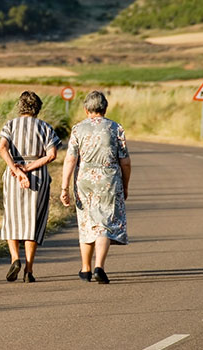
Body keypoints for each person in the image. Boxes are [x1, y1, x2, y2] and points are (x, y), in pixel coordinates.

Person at [60, 90, 131, 284]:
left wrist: (64, 187)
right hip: (109, 179)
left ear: (86, 109)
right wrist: (125, 185)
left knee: (86, 222)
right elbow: (125, 162)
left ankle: (85, 268)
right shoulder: (115, 128)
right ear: (105, 108)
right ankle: (99, 266)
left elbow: (70, 159)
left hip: (84, 180)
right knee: (105, 223)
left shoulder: (77, 129)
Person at [0, 91, 62, 283]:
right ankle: (28, 270)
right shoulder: (45, 127)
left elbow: (2, 148)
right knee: (33, 220)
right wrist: (29, 167)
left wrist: (17, 170)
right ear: (38, 108)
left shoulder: (10, 125)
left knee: (12, 217)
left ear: (20, 106)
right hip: (37, 175)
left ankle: (14, 258)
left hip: (12, 174)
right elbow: (52, 155)